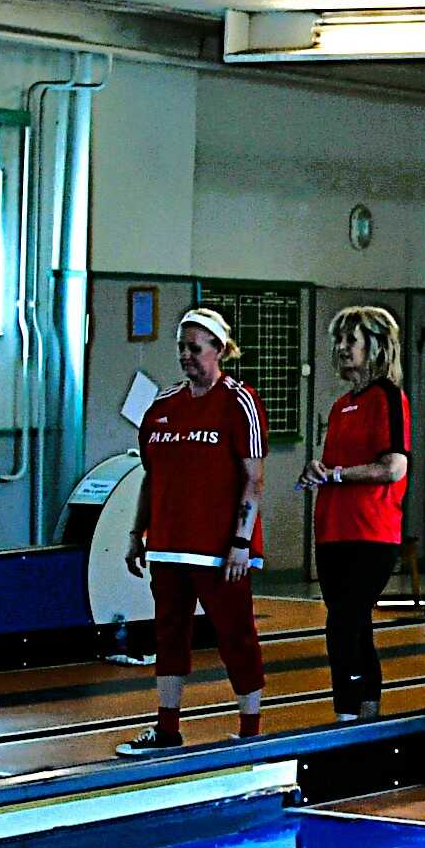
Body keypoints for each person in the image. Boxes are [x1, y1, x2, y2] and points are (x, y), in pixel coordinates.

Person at [119, 306, 267, 756]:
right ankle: (167, 726)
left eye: (195, 348)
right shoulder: (163, 406)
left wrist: (241, 541)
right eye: (181, 347)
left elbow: (254, 478)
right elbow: (151, 477)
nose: (185, 355)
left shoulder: (239, 402)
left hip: (218, 550)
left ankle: (250, 728)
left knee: (235, 635)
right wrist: (137, 533)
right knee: (169, 636)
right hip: (168, 546)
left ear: (218, 350)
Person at [303, 304, 413, 719]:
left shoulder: (388, 397)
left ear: (376, 346)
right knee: (352, 625)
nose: (342, 348)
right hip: (333, 531)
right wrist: (319, 470)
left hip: (370, 533)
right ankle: (364, 715)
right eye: (338, 340)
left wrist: (337, 475)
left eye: (351, 340)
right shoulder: (340, 406)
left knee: (344, 625)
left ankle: (347, 716)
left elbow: (393, 466)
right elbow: (338, 467)